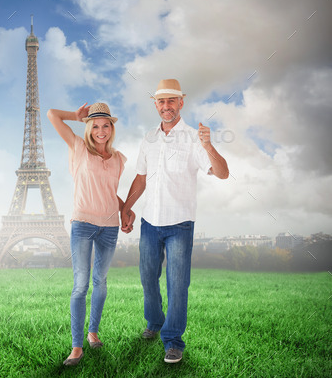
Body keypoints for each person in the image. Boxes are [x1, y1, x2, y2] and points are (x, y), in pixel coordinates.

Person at [121, 79, 229, 364]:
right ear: (155, 105)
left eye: (171, 101)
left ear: (181, 102)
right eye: (161, 102)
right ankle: (155, 322)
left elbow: (222, 173)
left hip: (180, 224)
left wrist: (209, 145)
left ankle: (173, 341)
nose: (166, 106)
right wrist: (126, 208)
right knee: (147, 279)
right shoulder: (148, 138)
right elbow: (141, 178)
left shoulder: (195, 138)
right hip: (149, 223)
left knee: (177, 284)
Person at [47, 102, 134, 366]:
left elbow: (109, 192)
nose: (100, 130)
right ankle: (76, 347)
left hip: (109, 226)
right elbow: (52, 115)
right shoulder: (78, 148)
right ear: (88, 128)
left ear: (112, 128)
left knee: (101, 282)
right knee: (80, 285)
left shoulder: (119, 159)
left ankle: (93, 332)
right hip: (83, 223)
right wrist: (75, 116)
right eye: (95, 125)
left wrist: (125, 211)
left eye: (105, 125)